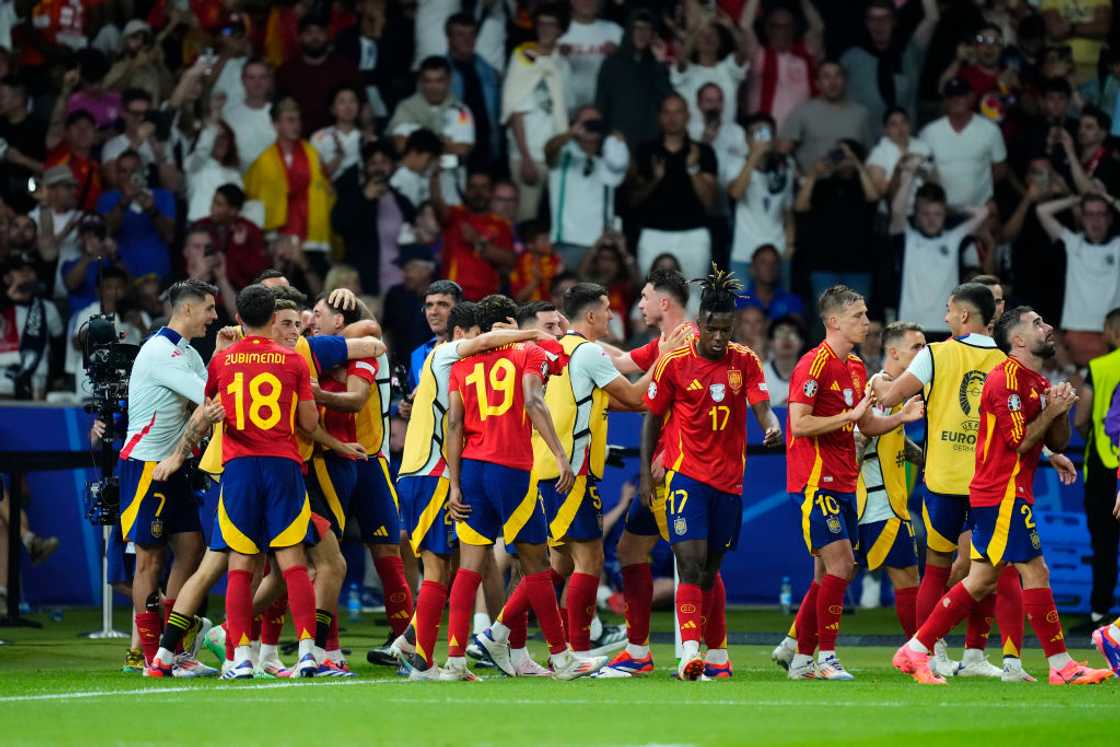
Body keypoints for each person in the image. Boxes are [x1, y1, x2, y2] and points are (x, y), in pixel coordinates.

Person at [893, 306, 1114, 687]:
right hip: (1001, 492)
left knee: (980, 580)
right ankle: (1061, 665)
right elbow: (1019, 442)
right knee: (1034, 570)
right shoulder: (1005, 379)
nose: (1047, 328)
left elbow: (1056, 441)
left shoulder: (1036, 381)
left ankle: (914, 649)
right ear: (1018, 339)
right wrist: (1051, 411)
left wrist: (1058, 411)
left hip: (1007, 492)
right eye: (1037, 323)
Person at [477, 282, 647, 671]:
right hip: (571, 471)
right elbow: (636, 398)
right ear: (590, 316)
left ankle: (496, 634)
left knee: (558, 564)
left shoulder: (557, 351)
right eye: (606, 310)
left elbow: (614, 401)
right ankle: (578, 649)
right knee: (589, 559)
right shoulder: (588, 352)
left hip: (545, 468)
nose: (610, 316)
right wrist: (669, 358)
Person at [876, 282, 1034, 681]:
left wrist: (879, 383)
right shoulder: (1007, 361)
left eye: (949, 310)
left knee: (936, 568)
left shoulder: (935, 354)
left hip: (943, 478)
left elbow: (891, 397)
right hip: (989, 482)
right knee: (995, 569)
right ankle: (993, 657)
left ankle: (927, 651)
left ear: (964, 315)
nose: (945, 317)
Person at [441, 294, 601, 681]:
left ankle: (454, 661)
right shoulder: (525, 353)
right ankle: (562, 658)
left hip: (473, 470)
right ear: (511, 323)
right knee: (537, 564)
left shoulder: (462, 364)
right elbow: (533, 398)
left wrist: (454, 483)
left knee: (468, 566)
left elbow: (454, 426)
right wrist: (562, 456)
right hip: (511, 468)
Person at [389, 301, 549, 679]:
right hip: (430, 474)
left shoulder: (445, 367)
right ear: (463, 335)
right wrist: (533, 334)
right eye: (480, 339)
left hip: (426, 472)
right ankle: (422, 657)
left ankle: (416, 644)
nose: (486, 347)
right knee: (436, 569)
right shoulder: (447, 353)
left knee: (450, 567)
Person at [640, 269, 780, 680]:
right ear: (699, 325)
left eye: (725, 329)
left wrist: (770, 425)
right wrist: (647, 476)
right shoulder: (675, 362)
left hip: (729, 481)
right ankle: (688, 653)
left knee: (711, 570)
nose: (719, 337)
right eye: (712, 329)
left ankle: (718, 654)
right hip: (686, 475)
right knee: (689, 561)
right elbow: (651, 420)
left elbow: (761, 404)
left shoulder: (746, 361)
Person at [783, 285, 924, 681]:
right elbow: (799, 422)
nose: (866, 321)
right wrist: (848, 416)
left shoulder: (857, 366)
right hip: (814, 482)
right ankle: (826, 658)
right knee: (841, 567)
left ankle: (800, 659)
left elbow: (866, 423)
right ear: (833, 321)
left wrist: (900, 418)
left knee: (828, 574)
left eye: (865, 314)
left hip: (846, 482)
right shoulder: (813, 365)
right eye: (858, 316)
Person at [195, 284, 323, 680]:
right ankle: (306, 654)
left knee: (240, 564)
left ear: (238, 318)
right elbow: (308, 424)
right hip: (282, 466)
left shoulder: (222, 361)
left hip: (240, 469)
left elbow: (208, 408)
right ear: (272, 318)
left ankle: (242, 658)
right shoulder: (293, 361)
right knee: (293, 563)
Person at [119, 280, 220, 673]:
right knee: (149, 561)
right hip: (147, 466)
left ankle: (171, 646)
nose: (214, 316)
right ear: (188, 310)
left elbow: (209, 388)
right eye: (209, 309)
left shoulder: (188, 352)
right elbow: (210, 401)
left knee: (192, 549)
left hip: (175, 466)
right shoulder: (161, 352)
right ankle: (149, 656)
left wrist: (225, 353)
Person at [599, 268, 694, 677]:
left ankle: (711, 653)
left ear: (664, 302)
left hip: (677, 468)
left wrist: (672, 452)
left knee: (694, 560)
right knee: (630, 551)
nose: (639, 303)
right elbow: (620, 360)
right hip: (659, 466)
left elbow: (696, 409)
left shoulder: (690, 343)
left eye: (645, 296)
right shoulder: (664, 344)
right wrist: (571, 341)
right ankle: (638, 649)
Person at [307, 295, 414, 659]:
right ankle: (328, 648)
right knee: (326, 556)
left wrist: (321, 386)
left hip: (370, 459)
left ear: (339, 321)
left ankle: (405, 642)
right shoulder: (312, 351)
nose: (311, 321)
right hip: (327, 457)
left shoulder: (363, 348)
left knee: (387, 548)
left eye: (319, 314)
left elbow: (370, 330)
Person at [859, 322, 926, 637]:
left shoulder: (895, 391)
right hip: (878, 502)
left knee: (831, 577)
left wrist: (927, 460)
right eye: (916, 347)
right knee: (907, 579)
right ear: (894, 352)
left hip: (888, 500)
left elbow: (894, 437)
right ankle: (920, 651)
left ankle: (794, 645)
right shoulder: (880, 385)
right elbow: (866, 427)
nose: (923, 353)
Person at [631, 94, 717, 288]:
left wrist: (694, 169)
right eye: (667, 112)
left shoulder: (703, 152)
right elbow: (633, 199)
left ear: (687, 116)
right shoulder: (645, 151)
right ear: (659, 117)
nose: (672, 117)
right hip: (653, 233)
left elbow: (709, 201)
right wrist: (655, 179)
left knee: (693, 296)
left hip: (694, 234)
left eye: (678, 112)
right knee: (652, 296)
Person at [890, 175, 989, 335]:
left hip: (945, 326)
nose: (931, 219)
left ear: (945, 214)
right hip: (909, 325)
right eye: (926, 214)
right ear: (916, 214)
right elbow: (897, 210)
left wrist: (950, 208)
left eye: (937, 214)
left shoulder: (953, 238)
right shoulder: (907, 238)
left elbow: (983, 212)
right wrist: (909, 174)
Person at [502, 2, 573, 223]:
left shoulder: (563, 65)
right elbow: (514, 110)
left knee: (553, 221)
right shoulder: (522, 57)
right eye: (541, 24)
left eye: (551, 25)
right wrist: (525, 157)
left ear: (561, 30)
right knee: (525, 218)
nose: (545, 29)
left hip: (555, 155)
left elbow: (564, 110)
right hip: (527, 155)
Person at [244, 98, 334, 271]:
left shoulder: (313, 154)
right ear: (276, 124)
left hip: (310, 236)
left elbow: (327, 190)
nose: (296, 125)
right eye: (290, 120)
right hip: (277, 236)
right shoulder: (263, 161)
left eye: (298, 119)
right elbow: (252, 198)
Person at [1074, 309, 1120, 630]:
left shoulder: (1098, 368)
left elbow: (1080, 419)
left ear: (1111, 331)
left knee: (1103, 544)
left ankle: (1099, 614)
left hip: (1103, 466)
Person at [1036, 192, 1120, 365]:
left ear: (1110, 218)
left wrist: (1109, 198)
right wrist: (1076, 198)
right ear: (1082, 218)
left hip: (1113, 334)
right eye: (1090, 214)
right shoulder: (1072, 242)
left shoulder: (1117, 245)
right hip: (1076, 333)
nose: (1095, 220)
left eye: (1101, 214)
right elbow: (1042, 211)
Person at [544, 105, 629, 269]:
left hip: (601, 245)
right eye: (586, 121)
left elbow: (630, 172)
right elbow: (549, 150)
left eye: (595, 122)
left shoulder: (611, 156)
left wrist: (618, 141)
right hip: (568, 241)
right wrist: (572, 133)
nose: (591, 125)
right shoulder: (563, 153)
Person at [794, 140, 879, 304]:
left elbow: (874, 198)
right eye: (838, 154)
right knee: (826, 320)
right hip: (824, 265)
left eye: (846, 154)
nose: (842, 158)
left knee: (856, 321)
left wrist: (857, 164)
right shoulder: (822, 185)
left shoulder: (863, 185)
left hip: (859, 265)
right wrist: (813, 174)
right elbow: (800, 207)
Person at [840, 0, 939, 139]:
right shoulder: (851, 58)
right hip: (866, 145)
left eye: (884, 18)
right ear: (866, 23)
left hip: (905, 145)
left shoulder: (909, 52)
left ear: (894, 21)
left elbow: (932, 18)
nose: (878, 24)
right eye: (873, 19)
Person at [331, 140, 416, 296]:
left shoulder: (401, 201)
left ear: (392, 166)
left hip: (397, 283)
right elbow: (338, 225)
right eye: (373, 162)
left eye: (384, 162)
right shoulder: (351, 195)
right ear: (365, 167)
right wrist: (365, 198)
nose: (379, 167)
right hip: (361, 283)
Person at [388, 57, 475, 206]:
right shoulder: (406, 107)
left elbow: (463, 151)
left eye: (439, 80)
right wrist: (443, 144)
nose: (433, 87)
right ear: (420, 82)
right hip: (412, 187)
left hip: (448, 187)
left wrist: (421, 143)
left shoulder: (461, 112)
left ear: (449, 81)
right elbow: (400, 146)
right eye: (427, 81)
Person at [919, 77, 1008, 210]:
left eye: (961, 95)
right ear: (945, 100)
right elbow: (922, 172)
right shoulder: (928, 132)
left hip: (979, 210)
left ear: (971, 97)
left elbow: (1000, 170)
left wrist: (979, 190)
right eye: (951, 96)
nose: (956, 99)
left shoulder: (991, 130)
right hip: (939, 213)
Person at [727, 114, 796, 279]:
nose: (761, 138)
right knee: (741, 303)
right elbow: (736, 193)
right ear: (746, 138)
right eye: (755, 133)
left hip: (778, 252)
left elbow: (787, 209)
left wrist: (790, 244)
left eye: (766, 133)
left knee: (781, 303)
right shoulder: (736, 164)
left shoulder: (786, 165)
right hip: (744, 252)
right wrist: (755, 156)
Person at [431, 167, 515, 301]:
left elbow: (510, 260)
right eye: (473, 187)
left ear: (491, 192)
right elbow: (438, 208)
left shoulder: (501, 224)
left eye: (483, 187)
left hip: (486, 299)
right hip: (454, 296)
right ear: (467, 190)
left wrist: (477, 241)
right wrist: (434, 180)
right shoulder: (455, 214)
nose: (478, 192)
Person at [594, 9, 673, 149]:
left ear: (653, 34)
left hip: (650, 143)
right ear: (629, 30)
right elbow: (601, 104)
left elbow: (667, 101)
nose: (642, 33)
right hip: (617, 141)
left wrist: (660, 63)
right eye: (637, 28)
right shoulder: (612, 63)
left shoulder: (657, 65)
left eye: (647, 29)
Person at [275, 15, 362, 137]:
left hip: (341, 139)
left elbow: (362, 106)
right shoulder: (285, 72)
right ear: (299, 37)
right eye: (309, 33)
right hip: (298, 140)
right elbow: (280, 111)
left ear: (328, 35)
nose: (315, 37)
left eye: (320, 32)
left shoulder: (346, 69)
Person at [781, 60, 873, 174]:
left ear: (845, 81)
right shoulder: (801, 112)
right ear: (817, 83)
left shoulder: (861, 113)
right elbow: (782, 152)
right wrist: (799, 178)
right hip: (813, 187)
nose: (833, 82)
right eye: (826, 77)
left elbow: (870, 156)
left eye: (837, 76)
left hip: (852, 188)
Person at [742, 0, 824, 128]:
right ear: (767, 28)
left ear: (794, 28)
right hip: (762, 132)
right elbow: (745, 26)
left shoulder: (806, 54)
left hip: (801, 134)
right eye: (776, 26)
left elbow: (817, 27)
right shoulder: (758, 55)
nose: (782, 31)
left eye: (787, 26)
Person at [98, 150, 176, 279]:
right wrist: (124, 201)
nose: (129, 176)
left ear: (144, 171)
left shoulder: (163, 196)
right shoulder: (107, 199)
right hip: (121, 279)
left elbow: (169, 236)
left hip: (158, 276)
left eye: (133, 170)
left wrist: (152, 209)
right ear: (117, 175)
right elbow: (105, 232)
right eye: (123, 171)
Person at [670, 7, 750, 133]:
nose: (708, 38)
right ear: (695, 43)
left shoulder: (728, 68)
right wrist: (695, 30)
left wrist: (730, 27)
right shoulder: (686, 71)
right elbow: (682, 58)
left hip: (727, 142)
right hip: (692, 140)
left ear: (720, 41)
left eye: (713, 35)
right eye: (703, 35)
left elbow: (744, 51)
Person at [445, 12, 501, 171]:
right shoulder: (440, 73)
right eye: (460, 35)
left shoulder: (489, 71)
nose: (467, 40)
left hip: (486, 148)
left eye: (471, 34)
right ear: (449, 39)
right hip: (454, 149)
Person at [192, 184, 269, 292]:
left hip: (240, 293)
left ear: (233, 210)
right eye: (213, 202)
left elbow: (256, 271)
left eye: (219, 204)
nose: (212, 207)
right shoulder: (200, 226)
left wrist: (239, 248)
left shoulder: (251, 231)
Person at [866, 107, 935, 211]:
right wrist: (900, 167)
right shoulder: (878, 153)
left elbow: (933, 180)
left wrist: (918, 170)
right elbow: (881, 191)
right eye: (893, 124)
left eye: (904, 122)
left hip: (921, 211)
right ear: (886, 130)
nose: (900, 128)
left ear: (910, 125)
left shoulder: (922, 147)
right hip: (891, 213)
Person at [381, 244, 438, 366]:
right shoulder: (395, 295)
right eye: (403, 269)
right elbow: (386, 332)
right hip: (402, 369)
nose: (404, 275)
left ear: (427, 270)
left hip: (434, 367)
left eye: (409, 269)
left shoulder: (446, 296)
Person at [559, 0, 622, 111]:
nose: (588, 2)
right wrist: (557, 54)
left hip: (604, 109)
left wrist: (618, 54)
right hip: (564, 108)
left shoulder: (615, 30)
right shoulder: (557, 30)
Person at [222, 59, 276, 172]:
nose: (257, 82)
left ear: (269, 81)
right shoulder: (228, 116)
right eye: (251, 78)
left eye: (262, 77)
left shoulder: (279, 114)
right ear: (243, 80)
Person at [408, 279, 462, 391]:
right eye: (429, 305)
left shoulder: (471, 349)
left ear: (458, 310)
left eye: (442, 305)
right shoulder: (418, 354)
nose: (433, 312)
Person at [1040, 0, 1112, 82]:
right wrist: (1090, 27)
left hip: (1094, 68)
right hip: (1059, 69)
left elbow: (1103, 29)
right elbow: (1055, 31)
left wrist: (1071, 28)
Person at [310, 84, 367, 183]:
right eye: (342, 102)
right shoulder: (319, 137)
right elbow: (314, 176)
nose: (348, 106)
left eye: (352, 101)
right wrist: (338, 157)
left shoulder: (367, 138)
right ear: (332, 109)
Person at [739, 244, 802, 322]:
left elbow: (798, 331)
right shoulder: (739, 302)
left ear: (779, 269)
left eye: (774, 262)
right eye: (763, 262)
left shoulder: (792, 301)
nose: (770, 267)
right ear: (752, 269)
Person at [762, 314, 804, 407]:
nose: (786, 339)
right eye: (780, 334)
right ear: (770, 343)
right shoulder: (758, 376)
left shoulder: (814, 375)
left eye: (792, 333)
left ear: (801, 343)